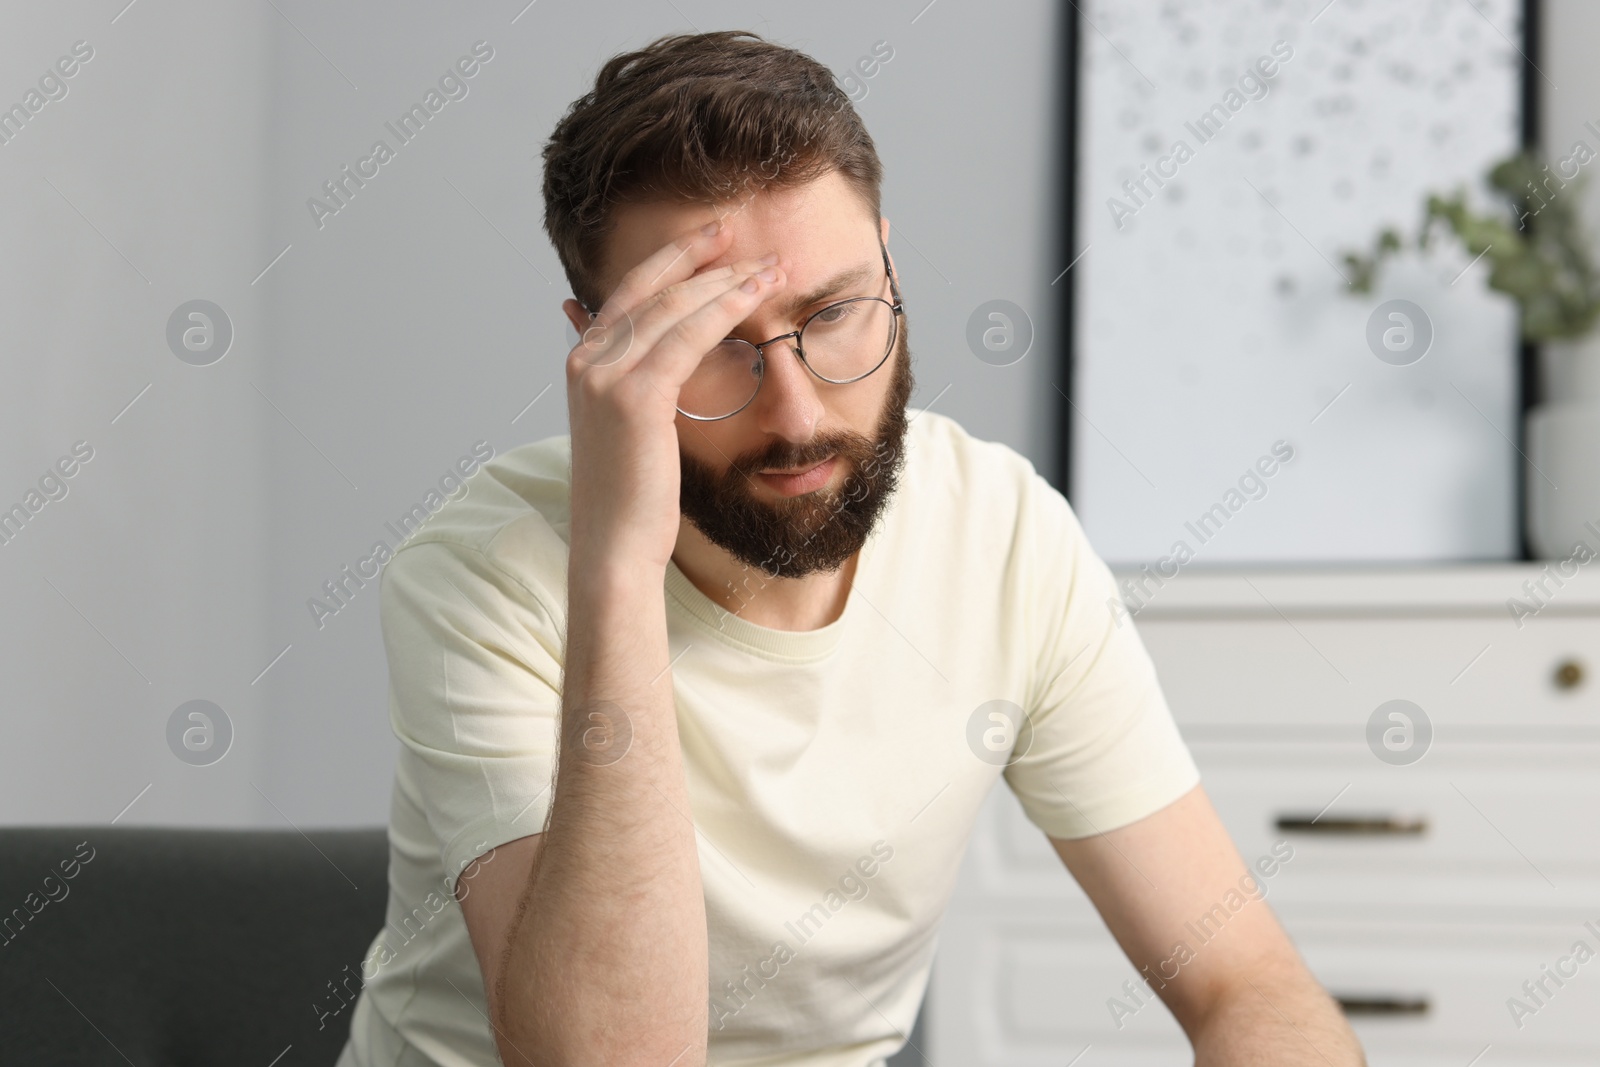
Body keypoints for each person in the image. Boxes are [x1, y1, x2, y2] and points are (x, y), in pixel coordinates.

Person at [336, 28, 1366, 1067]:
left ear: (890, 266)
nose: (795, 412)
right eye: (707, 343)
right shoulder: (480, 575)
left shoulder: (1002, 533)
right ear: (599, 349)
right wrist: (617, 562)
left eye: (833, 313)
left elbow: (1247, 982)